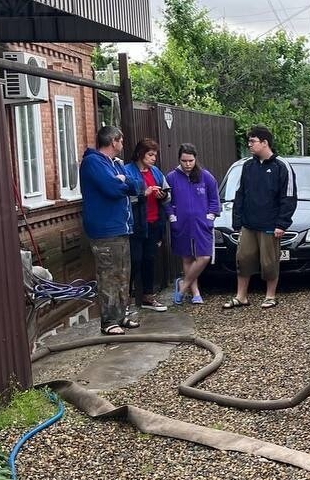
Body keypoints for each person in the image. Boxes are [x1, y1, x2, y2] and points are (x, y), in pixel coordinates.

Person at [79, 125, 144, 335]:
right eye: (121, 141)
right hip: (105, 230)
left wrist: (124, 180)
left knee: (123, 274)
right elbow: (112, 189)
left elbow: (137, 184)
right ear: (113, 141)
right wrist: (122, 183)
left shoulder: (115, 164)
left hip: (122, 227)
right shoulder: (93, 162)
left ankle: (121, 314)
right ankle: (108, 322)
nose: (123, 145)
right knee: (108, 275)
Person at [223, 125, 296, 310]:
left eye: (253, 141)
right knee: (243, 258)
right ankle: (241, 296)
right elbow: (241, 194)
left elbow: (288, 197)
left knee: (269, 261)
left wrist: (282, 223)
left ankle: (270, 296)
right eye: (249, 141)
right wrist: (237, 221)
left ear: (265, 143)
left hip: (270, 224)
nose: (249, 145)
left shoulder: (282, 166)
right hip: (248, 223)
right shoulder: (248, 166)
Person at [166, 143, 221, 306]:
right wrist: (172, 217)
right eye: (184, 161)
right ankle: (196, 292)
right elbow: (166, 201)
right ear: (179, 160)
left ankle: (182, 287)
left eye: (190, 160)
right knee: (188, 257)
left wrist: (210, 217)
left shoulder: (206, 176)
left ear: (195, 159)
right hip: (181, 223)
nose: (188, 164)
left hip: (202, 223)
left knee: (203, 256)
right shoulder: (171, 177)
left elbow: (214, 198)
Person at [125, 138, 171, 312]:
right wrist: (144, 193)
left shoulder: (157, 172)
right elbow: (124, 198)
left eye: (155, 155)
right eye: (150, 155)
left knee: (150, 259)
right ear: (140, 153)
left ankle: (148, 296)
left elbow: (168, 194)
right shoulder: (127, 171)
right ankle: (127, 298)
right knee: (134, 260)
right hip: (135, 224)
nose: (154, 159)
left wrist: (162, 196)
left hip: (154, 222)